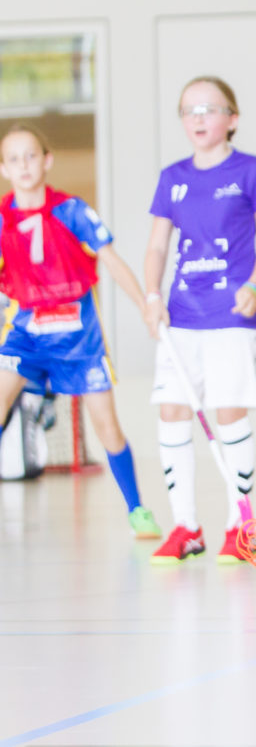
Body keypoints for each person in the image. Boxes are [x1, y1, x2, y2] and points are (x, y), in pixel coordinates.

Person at [0, 122, 162, 538]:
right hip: (25, 335)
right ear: (4, 169)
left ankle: (137, 509)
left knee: (106, 425)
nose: (23, 165)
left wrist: (146, 303)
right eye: (13, 159)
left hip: (79, 337)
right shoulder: (2, 218)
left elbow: (110, 259)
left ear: (47, 161)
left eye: (31, 155)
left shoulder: (71, 210)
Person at [142, 76, 256, 565]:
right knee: (172, 412)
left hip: (234, 315)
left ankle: (239, 527)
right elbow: (158, 245)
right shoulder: (172, 177)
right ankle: (186, 527)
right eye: (188, 110)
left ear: (232, 118)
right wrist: (152, 296)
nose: (197, 118)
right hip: (181, 316)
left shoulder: (251, 171)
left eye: (208, 108)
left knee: (228, 412)